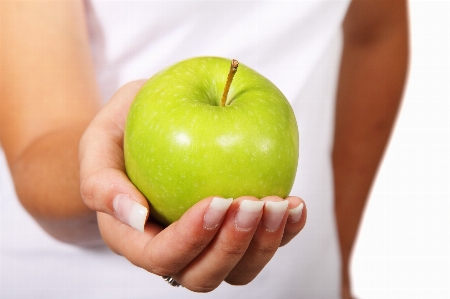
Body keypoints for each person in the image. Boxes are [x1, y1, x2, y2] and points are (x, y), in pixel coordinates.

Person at [0, 1, 409, 298]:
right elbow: (38, 145)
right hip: (80, 283)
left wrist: (339, 260)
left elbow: (373, 34)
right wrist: (112, 177)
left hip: (302, 280)